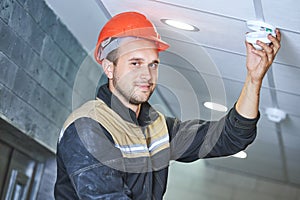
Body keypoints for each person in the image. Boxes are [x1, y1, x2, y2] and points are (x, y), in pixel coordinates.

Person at [54, 11, 281, 199]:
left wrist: (254, 78)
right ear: (109, 68)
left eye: (153, 64)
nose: (147, 74)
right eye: (135, 63)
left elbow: (231, 137)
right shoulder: (88, 127)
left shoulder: (158, 129)